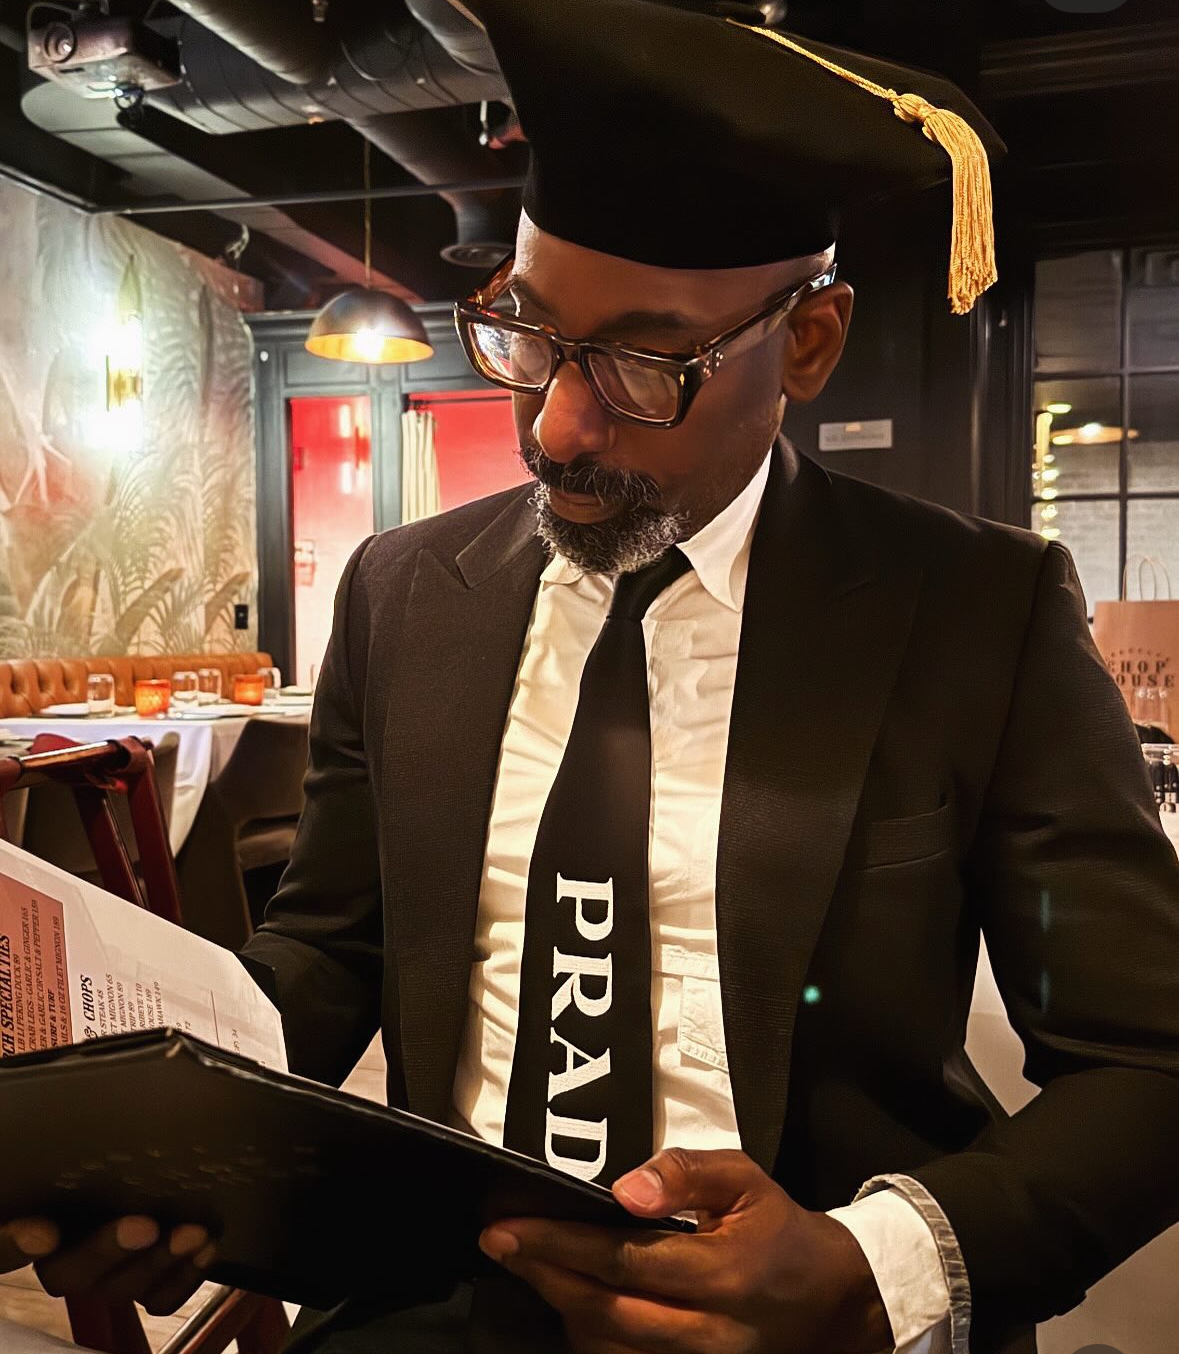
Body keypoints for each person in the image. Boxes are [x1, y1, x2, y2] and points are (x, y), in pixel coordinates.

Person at [3, 1, 1178, 1352]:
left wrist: (871, 1262)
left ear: (807, 342)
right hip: (442, 1297)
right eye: (522, 330)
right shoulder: (401, 590)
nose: (555, 425)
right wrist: (162, 1133)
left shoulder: (976, 612)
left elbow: (1144, 1060)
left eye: (639, 361)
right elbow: (332, 946)